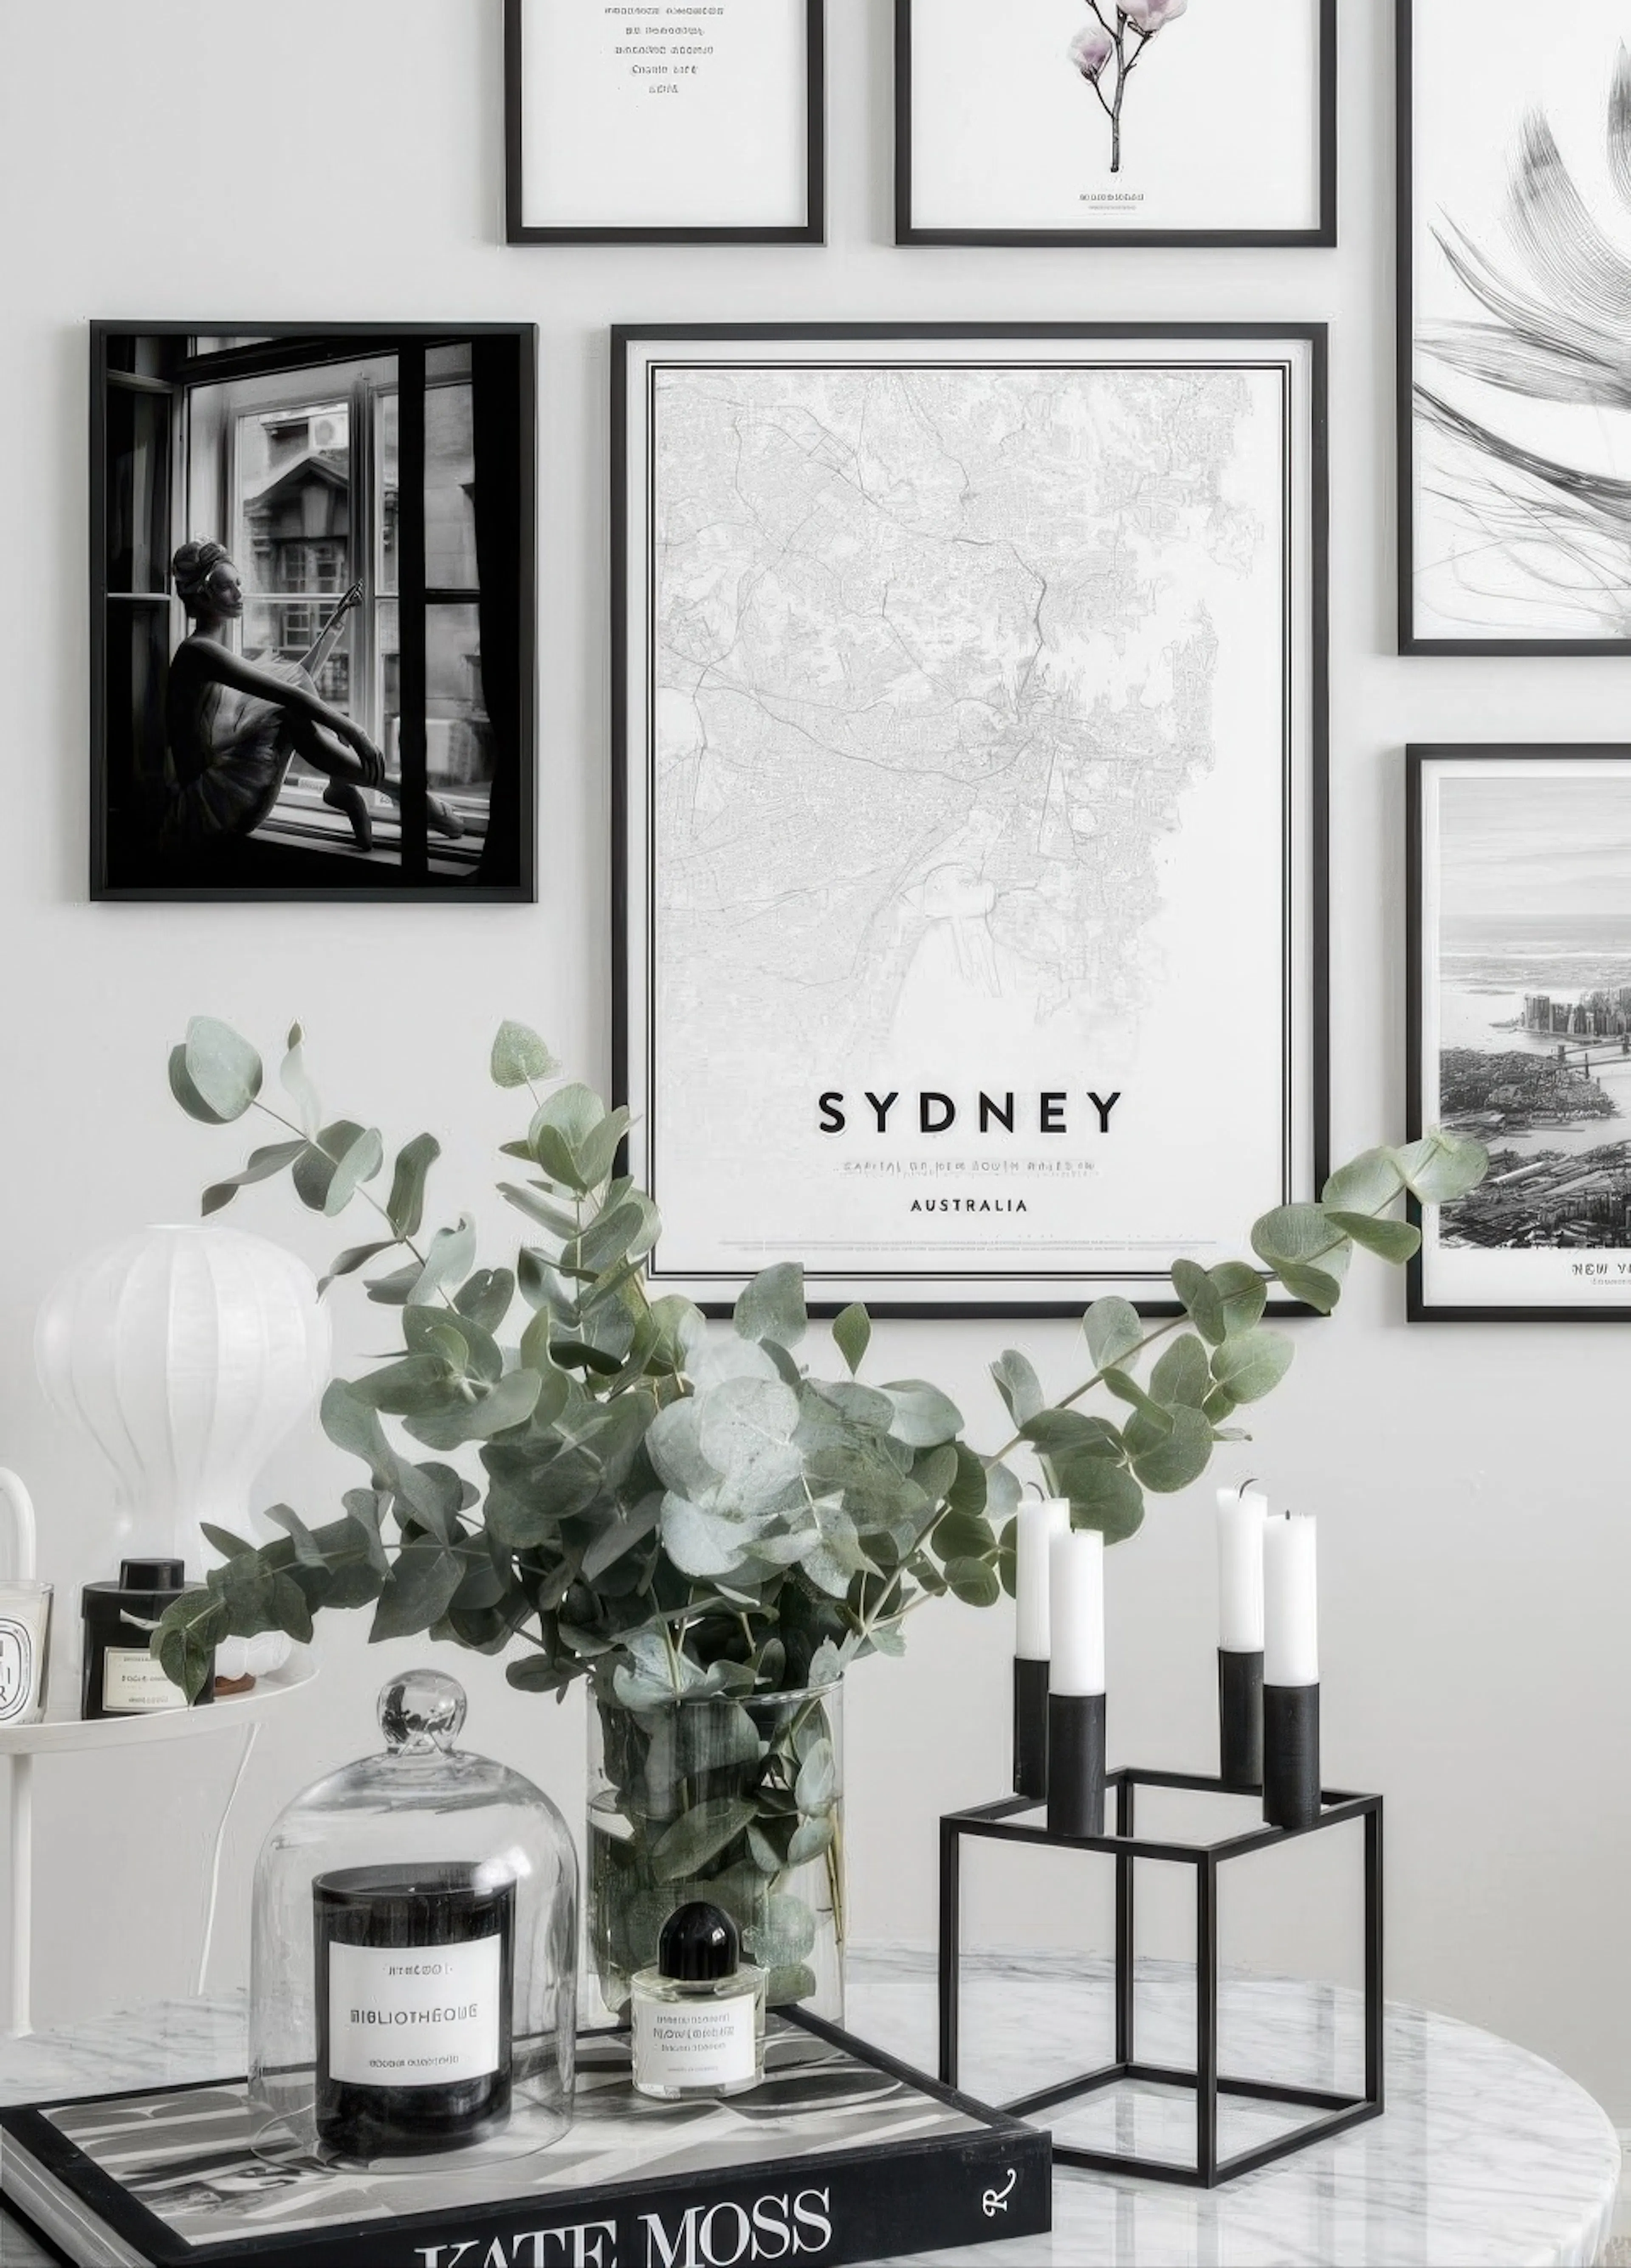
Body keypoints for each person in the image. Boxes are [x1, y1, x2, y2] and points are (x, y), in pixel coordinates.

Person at [161, 538, 461, 856]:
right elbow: (287, 694)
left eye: (239, 583)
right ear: (204, 595)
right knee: (290, 709)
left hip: (223, 787)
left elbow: (295, 680)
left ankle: (350, 786)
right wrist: (354, 732)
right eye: (226, 587)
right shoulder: (198, 651)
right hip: (211, 810)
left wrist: (334, 627)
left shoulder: (210, 650)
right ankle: (405, 794)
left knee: (291, 693)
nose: (239, 594)